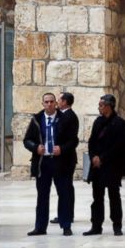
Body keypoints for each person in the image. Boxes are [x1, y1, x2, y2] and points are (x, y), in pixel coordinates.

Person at [23, 92, 78, 236]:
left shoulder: (65, 118)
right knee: (42, 196)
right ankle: (40, 227)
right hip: (43, 163)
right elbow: (27, 140)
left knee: (64, 194)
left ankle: (66, 225)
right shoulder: (36, 119)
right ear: (42, 104)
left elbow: (74, 140)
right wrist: (36, 148)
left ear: (56, 103)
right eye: (46, 102)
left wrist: (62, 149)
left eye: (52, 101)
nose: (49, 104)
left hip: (61, 162)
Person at [83, 94, 125, 236]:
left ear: (109, 106)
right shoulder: (98, 122)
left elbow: (119, 146)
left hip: (112, 166)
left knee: (114, 196)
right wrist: (93, 157)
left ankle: (117, 224)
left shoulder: (120, 124)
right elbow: (92, 142)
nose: (99, 108)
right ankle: (96, 225)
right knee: (97, 197)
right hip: (97, 166)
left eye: (101, 105)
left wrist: (102, 158)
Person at [49, 92, 78, 226]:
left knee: (64, 188)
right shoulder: (63, 115)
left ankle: (65, 215)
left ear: (65, 102)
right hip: (62, 158)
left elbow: (72, 140)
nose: (56, 102)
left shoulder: (68, 116)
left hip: (65, 159)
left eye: (58, 99)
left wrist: (61, 148)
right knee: (65, 188)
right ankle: (66, 214)